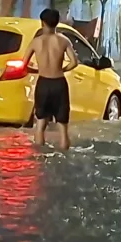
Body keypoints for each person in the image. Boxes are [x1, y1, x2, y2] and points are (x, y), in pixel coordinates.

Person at [24, 8, 79, 149]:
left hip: (43, 83)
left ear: (42, 22)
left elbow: (23, 65)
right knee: (62, 127)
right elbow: (74, 62)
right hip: (59, 83)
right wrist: (62, 70)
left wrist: (36, 70)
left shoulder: (36, 42)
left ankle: (39, 156)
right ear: (57, 23)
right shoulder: (63, 41)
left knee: (40, 124)